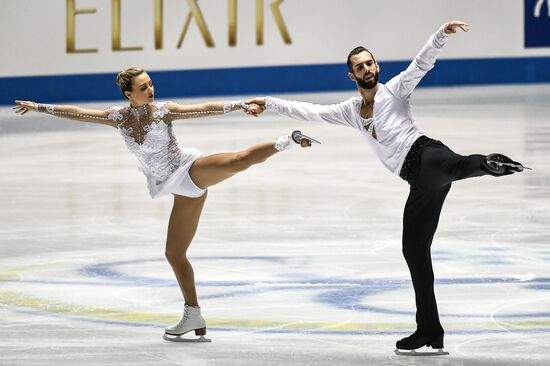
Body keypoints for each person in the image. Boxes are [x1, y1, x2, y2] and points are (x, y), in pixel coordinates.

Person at [247, 21, 529, 354]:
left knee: (450, 166)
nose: (366, 68)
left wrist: (440, 35)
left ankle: (485, 164)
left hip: (426, 154)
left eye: (369, 63)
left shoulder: (395, 89)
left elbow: (420, 65)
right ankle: (430, 330)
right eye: (359, 66)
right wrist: (269, 102)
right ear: (352, 76)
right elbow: (310, 111)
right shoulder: (351, 112)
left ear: (376, 67)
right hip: (419, 183)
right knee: (414, 251)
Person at [13, 67, 319, 342]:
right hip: (176, 189)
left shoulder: (163, 111)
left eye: (151, 84)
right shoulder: (118, 118)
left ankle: (286, 141)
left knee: (237, 161)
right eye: (144, 87)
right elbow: (79, 113)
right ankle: (193, 313)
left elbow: (204, 109)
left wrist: (240, 105)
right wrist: (40, 107)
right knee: (174, 253)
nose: (151, 90)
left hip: (188, 170)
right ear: (128, 93)